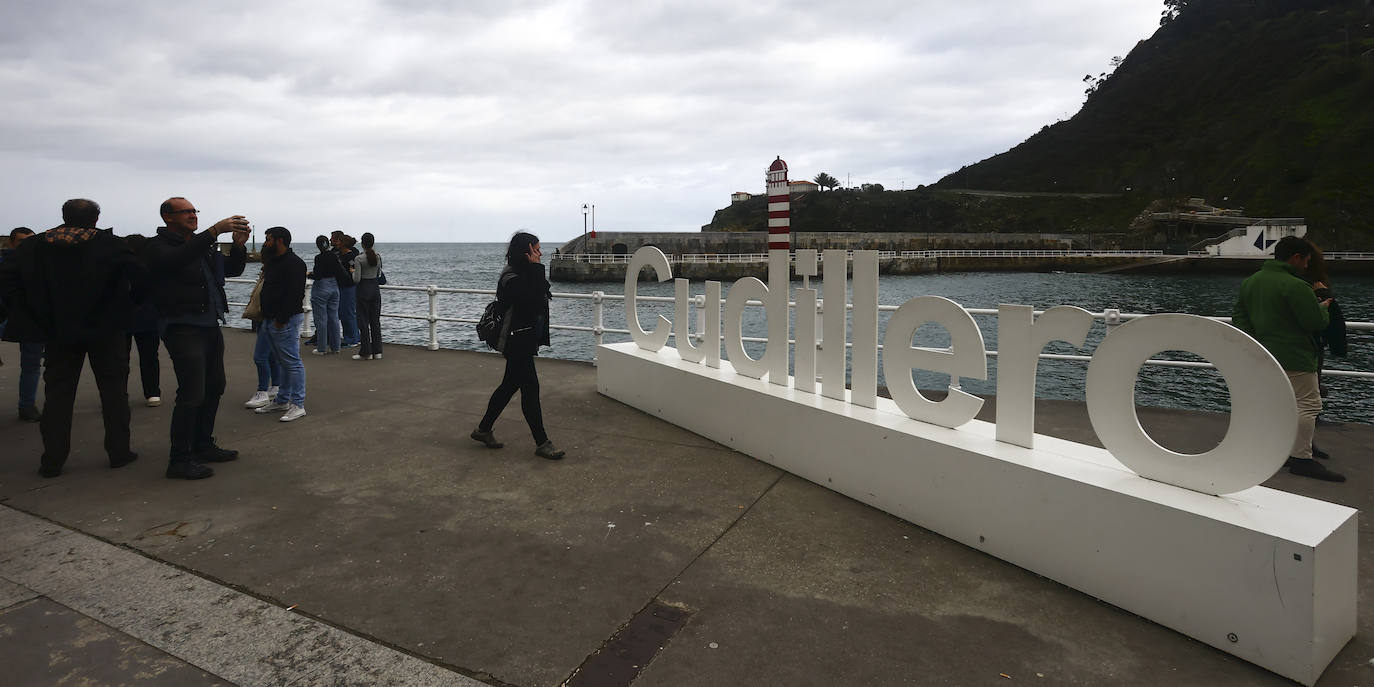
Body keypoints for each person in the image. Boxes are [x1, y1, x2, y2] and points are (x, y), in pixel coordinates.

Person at [0, 200, 139, 477]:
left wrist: (33, 312)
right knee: (114, 393)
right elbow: (140, 278)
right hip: (105, 330)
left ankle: (52, 460)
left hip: (57, 330)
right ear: (96, 218)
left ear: (63, 216)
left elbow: (7, 281)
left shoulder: (35, 245)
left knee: (58, 397)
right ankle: (119, 452)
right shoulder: (110, 245)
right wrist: (123, 309)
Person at [143, 197, 249, 480]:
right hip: (182, 326)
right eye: (185, 212)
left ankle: (202, 444)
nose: (192, 215)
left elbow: (230, 270)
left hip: (208, 324)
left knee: (215, 386)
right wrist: (213, 231)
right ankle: (179, 458)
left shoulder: (198, 246)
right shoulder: (158, 246)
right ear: (168, 217)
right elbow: (172, 261)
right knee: (192, 392)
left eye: (194, 211)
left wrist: (238, 246)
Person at [1233, 235, 1341, 482]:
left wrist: (1258, 344)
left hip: (1265, 355)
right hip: (1296, 356)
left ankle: (1278, 450)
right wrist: (1323, 308)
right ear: (1296, 258)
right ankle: (1302, 458)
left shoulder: (1251, 282)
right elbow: (1314, 323)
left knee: (1276, 404)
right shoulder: (1295, 286)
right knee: (1308, 405)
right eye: (1305, 261)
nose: (1305, 266)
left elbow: (1240, 317)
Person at [471, 232, 566, 460]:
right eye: (537, 249)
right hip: (515, 340)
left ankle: (483, 430)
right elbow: (530, 298)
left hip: (524, 338)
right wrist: (536, 269)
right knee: (530, 389)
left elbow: (544, 291)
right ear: (526, 252)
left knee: (508, 386)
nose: (541, 253)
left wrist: (535, 269)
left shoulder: (524, 274)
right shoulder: (510, 277)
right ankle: (542, 442)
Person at [255, 226, 308, 422]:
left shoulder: (294, 263)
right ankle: (282, 400)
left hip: (283, 320)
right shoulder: (274, 262)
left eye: (269, 239)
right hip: (270, 318)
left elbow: (295, 294)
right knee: (283, 361)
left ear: (279, 241)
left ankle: (298, 404)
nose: (266, 243)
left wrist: (282, 318)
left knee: (292, 362)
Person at [0, 227, 44, 422]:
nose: (26, 245)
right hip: (5, 317)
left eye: (29, 240)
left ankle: (27, 406)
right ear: (11, 243)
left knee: (32, 365)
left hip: (30, 320)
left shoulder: (41, 265)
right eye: (21, 241)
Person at [123, 234, 162, 408]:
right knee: (150, 357)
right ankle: (153, 393)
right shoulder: (151, 266)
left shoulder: (121, 265)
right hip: (148, 316)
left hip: (121, 317)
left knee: (120, 358)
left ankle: (118, 393)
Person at [241, 268, 282, 410]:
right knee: (271, 355)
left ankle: (262, 391)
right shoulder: (274, 269)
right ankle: (276, 385)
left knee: (260, 356)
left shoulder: (272, 271)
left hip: (268, 316)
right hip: (269, 315)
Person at [308, 235, 344, 355]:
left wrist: (309, 274)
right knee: (333, 318)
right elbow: (339, 271)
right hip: (334, 286)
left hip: (321, 288)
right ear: (328, 244)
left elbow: (318, 275)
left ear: (318, 245)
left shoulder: (318, 258)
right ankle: (336, 347)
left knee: (321, 319)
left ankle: (321, 348)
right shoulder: (334, 255)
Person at [353, 232, 383, 361]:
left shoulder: (359, 259)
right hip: (375, 290)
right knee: (375, 322)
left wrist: (352, 272)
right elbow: (378, 273)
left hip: (363, 290)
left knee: (363, 322)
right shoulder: (378, 257)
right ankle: (378, 351)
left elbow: (357, 279)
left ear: (362, 243)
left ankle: (366, 352)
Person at [333, 231, 360, 348]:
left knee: (348, 313)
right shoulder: (339, 254)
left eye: (339, 241)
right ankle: (349, 337)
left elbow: (353, 268)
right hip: (340, 286)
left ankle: (353, 338)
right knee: (343, 313)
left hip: (348, 287)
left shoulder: (351, 256)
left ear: (342, 243)